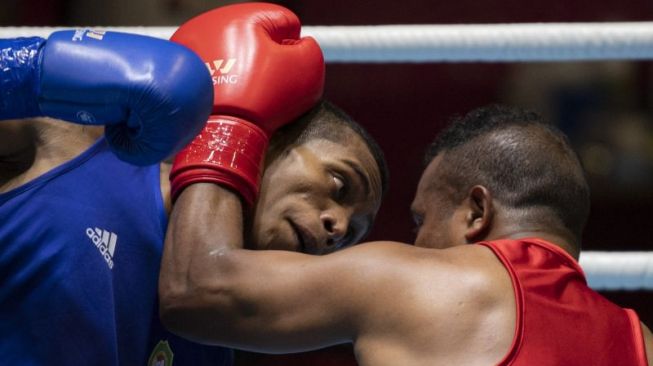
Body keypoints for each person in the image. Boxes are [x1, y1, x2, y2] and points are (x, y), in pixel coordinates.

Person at [0, 4, 388, 365]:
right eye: (340, 185)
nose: (338, 228)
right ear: (272, 136)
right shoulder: (82, 139)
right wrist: (30, 70)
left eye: (352, 234)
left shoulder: (208, 337)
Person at [160, 104, 653, 365]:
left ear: (475, 213)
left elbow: (196, 288)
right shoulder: (642, 342)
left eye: (422, 222)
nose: (416, 245)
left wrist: (227, 119)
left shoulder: (420, 282)